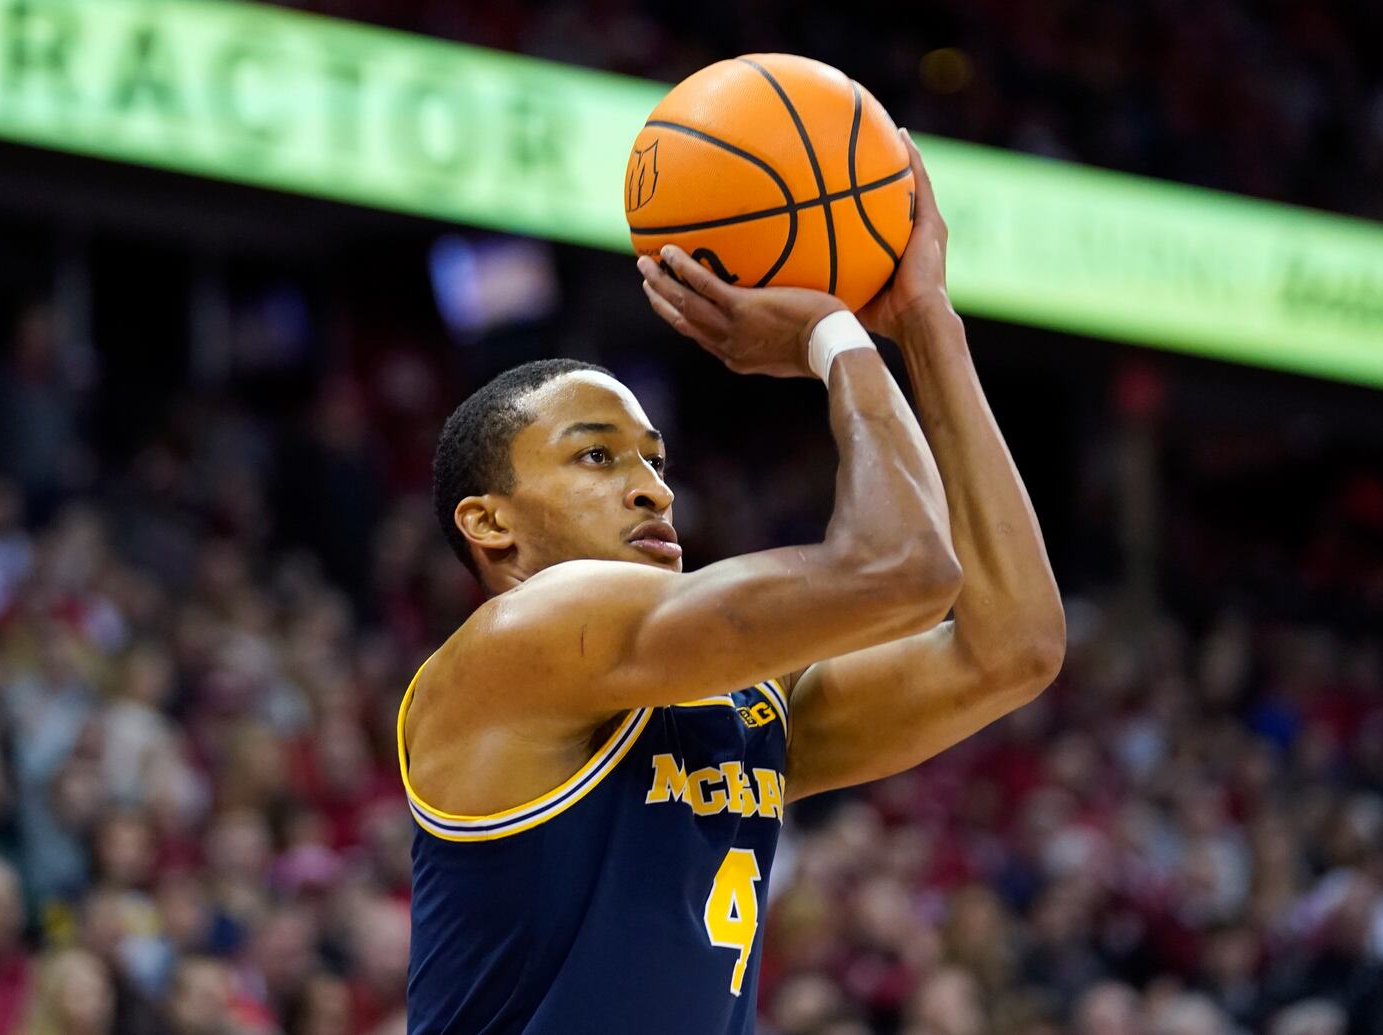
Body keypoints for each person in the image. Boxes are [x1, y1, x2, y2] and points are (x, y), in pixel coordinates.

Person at [400, 132, 1066, 1034]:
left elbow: (1014, 645)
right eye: (596, 455)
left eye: (655, 458)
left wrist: (925, 319)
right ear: (490, 524)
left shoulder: (743, 702)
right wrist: (832, 335)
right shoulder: (521, 638)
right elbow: (903, 568)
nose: (653, 485)